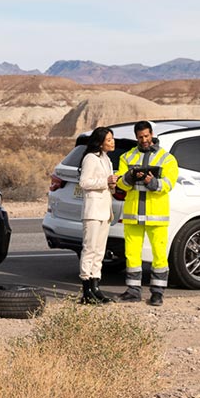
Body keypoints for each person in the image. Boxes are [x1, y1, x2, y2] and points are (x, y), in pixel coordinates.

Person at [115, 120, 178, 306]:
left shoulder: (166, 158)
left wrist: (153, 182)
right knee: (132, 254)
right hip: (133, 215)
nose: (144, 140)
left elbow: (169, 184)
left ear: (152, 135)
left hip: (156, 215)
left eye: (146, 136)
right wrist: (129, 177)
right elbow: (120, 184)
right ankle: (133, 290)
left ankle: (157, 293)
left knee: (159, 255)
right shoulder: (127, 157)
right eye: (140, 137)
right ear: (136, 137)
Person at [76, 126, 117, 304]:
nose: (112, 142)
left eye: (112, 138)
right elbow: (84, 182)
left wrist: (113, 184)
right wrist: (105, 181)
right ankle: (86, 290)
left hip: (104, 211)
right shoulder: (90, 158)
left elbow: (108, 185)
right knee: (90, 249)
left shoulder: (107, 160)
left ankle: (95, 286)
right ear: (100, 143)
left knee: (100, 251)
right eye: (109, 140)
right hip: (92, 211)